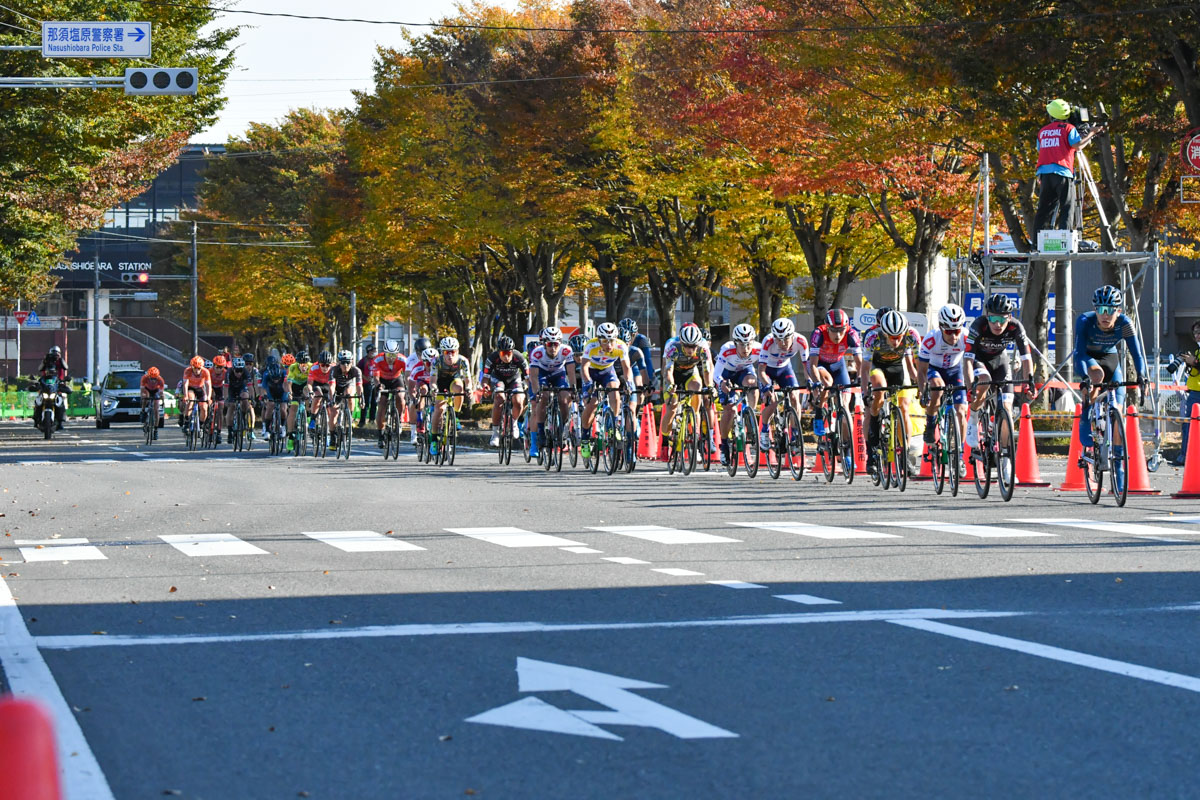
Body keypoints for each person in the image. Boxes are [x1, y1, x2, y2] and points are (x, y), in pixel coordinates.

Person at [1072, 285, 1147, 458]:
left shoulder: (1125, 323)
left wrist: (1141, 375)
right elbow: (1079, 353)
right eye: (1101, 309)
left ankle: (1119, 472)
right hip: (1087, 357)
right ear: (1095, 309)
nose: (1105, 315)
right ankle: (1086, 413)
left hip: (1110, 358)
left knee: (1119, 414)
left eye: (1110, 310)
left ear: (1118, 311)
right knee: (1097, 375)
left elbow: (1137, 354)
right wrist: (1085, 377)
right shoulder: (1084, 321)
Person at [963, 294, 1035, 451]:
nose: (997, 324)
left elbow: (1026, 359)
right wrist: (970, 388)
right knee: (984, 380)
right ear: (987, 317)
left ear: (1009, 318)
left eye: (1002, 320)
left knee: (1007, 410)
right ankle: (973, 418)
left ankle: (1005, 458)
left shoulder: (1016, 327)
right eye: (993, 319)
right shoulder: (978, 325)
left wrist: (1028, 384)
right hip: (980, 360)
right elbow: (967, 359)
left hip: (1000, 361)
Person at [1031, 98, 1104, 242]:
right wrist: (1091, 132)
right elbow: (1078, 146)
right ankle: (1065, 240)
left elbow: (1040, 149)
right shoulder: (1069, 129)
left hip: (1044, 174)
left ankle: (1036, 243)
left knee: (1044, 210)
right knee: (1067, 206)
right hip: (1063, 172)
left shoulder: (1042, 131)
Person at [916, 304, 970, 477]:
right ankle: (931, 424)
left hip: (955, 371)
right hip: (934, 369)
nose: (954, 336)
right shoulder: (931, 339)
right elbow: (921, 371)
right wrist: (923, 390)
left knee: (961, 411)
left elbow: (973, 361)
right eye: (949, 331)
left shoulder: (967, 338)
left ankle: (959, 456)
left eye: (957, 331)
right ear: (941, 328)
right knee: (937, 389)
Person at [862, 309, 920, 468]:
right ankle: (872, 448)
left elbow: (919, 365)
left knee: (904, 408)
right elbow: (865, 368)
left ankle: (905, 453)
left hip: (897, 367)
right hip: (877, 366)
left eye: (899, 337)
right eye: (891, 337)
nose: (895, 341)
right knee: (879, 392)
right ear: (883, 332)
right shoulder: (872, 336)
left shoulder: (912, 335)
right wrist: (865, 392)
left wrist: (923, 386)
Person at [579, 322, 635, 459]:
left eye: (612, 341)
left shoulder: (621, 346)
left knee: (615, 392)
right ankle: (585, 437)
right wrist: (588, 383)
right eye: (605, 341)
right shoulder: (591, 345)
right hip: (591, 372)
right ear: (598, 339)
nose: (609, 345)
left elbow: (627, 367)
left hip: (607, 371)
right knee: (592, 404)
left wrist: (629, 383)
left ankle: (614, 425)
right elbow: (584, 367)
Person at [807, 309, 864, 439]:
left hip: (839, 365)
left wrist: (860, 377)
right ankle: (819, 413)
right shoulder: (818, 334)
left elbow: (860, 362)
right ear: (827, 328)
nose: (838, 335)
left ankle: (847, 450)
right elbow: (813, 365)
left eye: (841, 330)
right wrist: (816, 382)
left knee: (845, 407)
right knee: (827, 382)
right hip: (821, 365)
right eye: (833, 330)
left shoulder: (851, 334)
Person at [660, 323, 715, 457]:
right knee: (672, 406)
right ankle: (665, 437)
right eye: (687, 346)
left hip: (691, 372)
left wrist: (710, 386)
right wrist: (671, 385)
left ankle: (695, 436)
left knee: (697, 390)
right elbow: (667, 371)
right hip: (673, 374)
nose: (691, 350)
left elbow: (707, 369)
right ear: (681, 342)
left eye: (693, 346)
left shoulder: (703, 347)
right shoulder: (672, 346)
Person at [755, 318, 808, 450]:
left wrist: (810, 381)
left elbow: (807, 366)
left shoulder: (800, 341)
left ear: (792, 336)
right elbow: (761, 370)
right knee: (772, 400)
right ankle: (765, 431)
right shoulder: (767, 342)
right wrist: (767, 386)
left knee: (795, 396)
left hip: (785, 368)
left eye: (785, 339)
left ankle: (795, 433)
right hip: (767, 371)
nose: (782, 343)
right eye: (778, 339)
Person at [714, 323, 761, 467]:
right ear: (735, 343)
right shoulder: (727, 350)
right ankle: (724, 445)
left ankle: (750, 415)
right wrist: (721, 383)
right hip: (726, 374)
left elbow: (767, 367)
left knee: (752, 383)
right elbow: (716, 374)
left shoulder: (759, 349)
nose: (746, 349)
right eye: (742, 345)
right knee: (730, 409)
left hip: (744, 372)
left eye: (749, 344)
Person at [527, 327, 577, 460]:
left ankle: (562, 427)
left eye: (556, 344)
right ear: (544, 344)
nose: (553, 348)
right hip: (541, 375)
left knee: (564, 399)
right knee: (544, 397)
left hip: (558, 375)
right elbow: (533, 376)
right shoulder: (537, 353)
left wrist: (573, 389)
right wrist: (537, 391)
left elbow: (571, 372)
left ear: (560, 343)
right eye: (550, 344)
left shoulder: (566, 350)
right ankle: (541, 432)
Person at [429, 337, 473, 457]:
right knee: (439, 410)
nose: (449, 355)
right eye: (446, 352)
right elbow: (432, 380)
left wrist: (469, 389)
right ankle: (433, 439)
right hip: (440, 382)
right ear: (442, 352)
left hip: (454, 381)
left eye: (452, 352)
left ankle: (456, 416)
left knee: (460, 388)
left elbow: (468, 379)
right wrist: (434, 389)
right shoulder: (436, 361)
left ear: (457, 351)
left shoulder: (463, 360)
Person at [482, 336, 528, 448]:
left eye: (509, 353)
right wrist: (485, 386)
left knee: (518, 400)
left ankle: (514, 422)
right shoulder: (492, 358)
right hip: (498, 379)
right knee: (499, 399)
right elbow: (485, 378)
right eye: (503, 354)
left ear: (512, 352)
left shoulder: (519, 358)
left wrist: (527, 387)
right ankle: (495, 433)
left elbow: (528, 377)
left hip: (514, 378)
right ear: (499, 353)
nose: (506, 356)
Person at [372, 340, 408, 448]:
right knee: (382, 405)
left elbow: (407, 375)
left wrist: (407, 387)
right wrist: (379, 385)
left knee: (400, 396)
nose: (391, 358)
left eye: (393, 355)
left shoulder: (403, 359)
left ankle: (399, 419)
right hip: (383, 381)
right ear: (384, 353)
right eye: (388, 355)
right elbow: (375, 377)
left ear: (397, 354)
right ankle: (380, 435)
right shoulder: (378, 359)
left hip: (397, 379)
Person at [1176, 321, 1200, 465]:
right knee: (1187, 426)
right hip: (1193, 393)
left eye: (1199, 332)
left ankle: (1187, 457)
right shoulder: (1197, 351)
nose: (1197, 336)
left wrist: (1195, 362)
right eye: (1195, 333)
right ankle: (1186, 456)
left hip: (1197, 394)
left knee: (1190, 425)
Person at [260, 355, 290, 440]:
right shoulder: (266, 375)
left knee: (283, 408)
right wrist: (264, 396)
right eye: (274, 379)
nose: (276, 380)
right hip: (271, 391)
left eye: (277, 379)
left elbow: (287, 386)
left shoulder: (284, 373)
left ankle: (283, 426)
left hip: (282, 390)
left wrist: (289, 394)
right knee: (270, 406)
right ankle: (267, 430)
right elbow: (263, 388)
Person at [180, 356, 212, 430]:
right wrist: (185, 396)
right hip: (190, 388)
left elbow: (208, 385)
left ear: (202, 367)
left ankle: (201, 424)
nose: (197, 370)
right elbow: (185, 384)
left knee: (204, 407)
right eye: (195, 368)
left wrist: (208, 397)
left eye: (199, 368)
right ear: (192, 367)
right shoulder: (187, 370)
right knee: (190, 399)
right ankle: (187, 421)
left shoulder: (205, 372)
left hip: (200, 388)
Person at [357, 343, 379, 428]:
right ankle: (362, 421)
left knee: (374, 403)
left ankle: (372, 420)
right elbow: (358, 371)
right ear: (368, 352)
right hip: (366, 384)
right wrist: (365, 377)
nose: (374, 353)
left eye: (375, 351)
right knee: (366, 403)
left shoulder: (377, 360)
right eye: (372, 351)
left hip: (375, 384)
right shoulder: (363, 360)